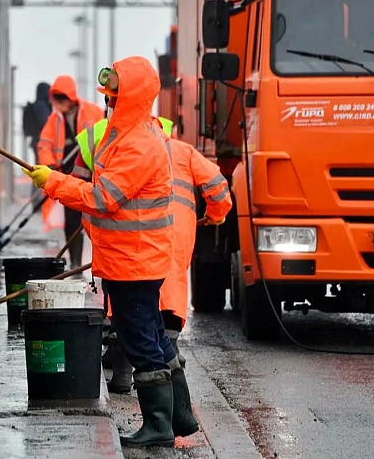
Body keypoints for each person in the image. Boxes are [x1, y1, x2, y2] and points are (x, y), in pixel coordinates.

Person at [23, 56, 193, 447]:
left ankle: (159, 427)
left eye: (114, 95)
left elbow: (102, 198)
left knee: (141, 342)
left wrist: (54, 182)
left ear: (130, 96)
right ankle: (179, 417)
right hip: (131, 258)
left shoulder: (139, 144)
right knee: (153, 334)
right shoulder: (127, 133)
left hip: (134, 262)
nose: (109, 101)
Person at [73, 113, 230, 402]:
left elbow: (89, 197)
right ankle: (171, 376)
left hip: (129, 238)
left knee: (127, 303)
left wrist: (97, 236)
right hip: (175, 235)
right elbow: (218, 187)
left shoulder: (108, 144)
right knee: (168, 292)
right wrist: (216, 216)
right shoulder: (182, 150)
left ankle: (127, 374)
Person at [36, 75, 104, 268]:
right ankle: (75, 263)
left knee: (98, 220)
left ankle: (101, 263)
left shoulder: (93, 112)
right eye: (55, 99)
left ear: (71, 97)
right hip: (68, 174)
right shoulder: (54, 119)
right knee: (72, 218)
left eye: (62, 98)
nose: (58, 103)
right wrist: (49, 165)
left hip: (92, 173)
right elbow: (44, 144)